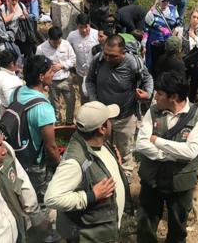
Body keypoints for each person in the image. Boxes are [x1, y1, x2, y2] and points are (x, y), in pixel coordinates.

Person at [44, 101, 133, 242]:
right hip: (91, 237)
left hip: (105, 229)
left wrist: (114, 164)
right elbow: (52, 198)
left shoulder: (97, 142)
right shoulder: (74, 162)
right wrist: (91, 196)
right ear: (102, 128)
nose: (111, 123)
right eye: (108, 120)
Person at [135, 71, 198, 243]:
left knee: (177, 226)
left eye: (159, 94)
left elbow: (190, 152)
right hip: (152, 178)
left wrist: (157, 141)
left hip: (180, 182)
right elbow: (141, 143)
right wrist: (167, 155)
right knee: (146, 223)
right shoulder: (153, 112)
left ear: (173, 96)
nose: (155, 99)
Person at [86, 35, 153, 169]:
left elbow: (148, 78)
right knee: (102, 147)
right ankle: (106, 170)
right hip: (103, 118)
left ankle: (126, 173)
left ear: (123, 53)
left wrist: (148, 93)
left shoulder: (133, 63)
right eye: (106, 54)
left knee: (125, 150)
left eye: (113, 56)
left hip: (125, 117)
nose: (108, 58)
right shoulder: (98, 60)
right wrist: (94, 100)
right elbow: (90, 81)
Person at [8, 55, 60, 201]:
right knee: (40, 196)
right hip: (36, 161)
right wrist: (61, 165)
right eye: (51, 71)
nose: (53, 74)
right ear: (41, 76)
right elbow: (51, 146)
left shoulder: (16, 93)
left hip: (18, 154)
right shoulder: (43, 108)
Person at [36, 26, 76, 125]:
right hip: (51, 81)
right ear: (49, 39)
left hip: (66, 79)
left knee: (71, 101)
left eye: (58, 42)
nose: (57, 44)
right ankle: (57, 122)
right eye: (54, 43)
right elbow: (38, 65)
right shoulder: (41, 48)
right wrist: (42, 83)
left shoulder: (66, 44)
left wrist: (61, 65)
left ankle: (69, 122)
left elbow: (73, 59)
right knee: (54, 103)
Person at [144, 0, 180, 73]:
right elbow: (146, 29)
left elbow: (178, 23)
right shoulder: (152, 13)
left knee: (166, 66)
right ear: (159, 0)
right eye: (164, 1)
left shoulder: (173, 9)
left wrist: (176, 30)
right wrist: (143, 44)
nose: (166, 3)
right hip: (155, 44)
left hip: (169, 44)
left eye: (168, 0)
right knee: (155, 65)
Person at [66, 13, 99, 104]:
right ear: (77, 26)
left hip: (96, 72)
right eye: (81, 27)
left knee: (96, 95)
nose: (84, 30)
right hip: (81, 72)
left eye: (86, 27)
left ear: (89, 24)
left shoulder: (96, 35)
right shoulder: (72, 36)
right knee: (84, 95)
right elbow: (67, 49)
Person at [181, 8, 198, 103]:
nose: (196, 20)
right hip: (185, 61)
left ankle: (191, 103)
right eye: (194, 17)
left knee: (194, 86)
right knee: (182, 84)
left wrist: (194, 37)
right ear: (190, 17)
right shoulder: (184, 28)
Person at [0, 50, 23, 114]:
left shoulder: (2, 73)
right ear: (11, 64)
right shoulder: (7, 81)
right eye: (17, 61)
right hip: (15, 115)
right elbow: (13, 104)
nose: (19, 64)